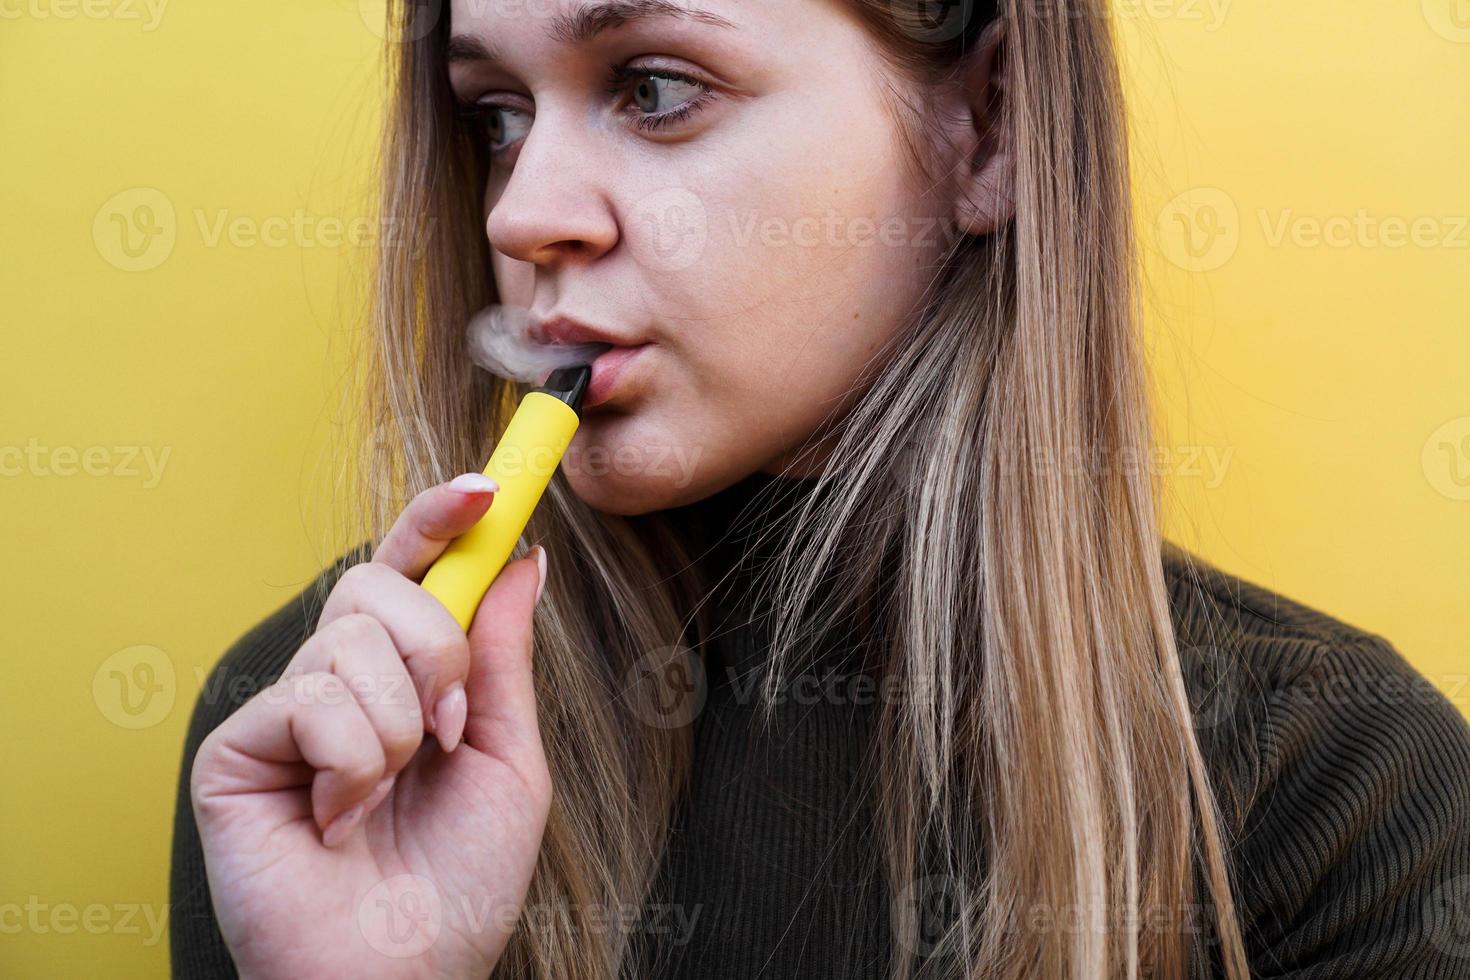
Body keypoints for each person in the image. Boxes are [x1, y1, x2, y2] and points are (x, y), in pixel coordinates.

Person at [170, 0, 1470, 977]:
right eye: (495, 116)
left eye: (656, 86)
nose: (520, 212)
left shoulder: (1333, 784)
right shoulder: (323, 747)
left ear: (988, 128)